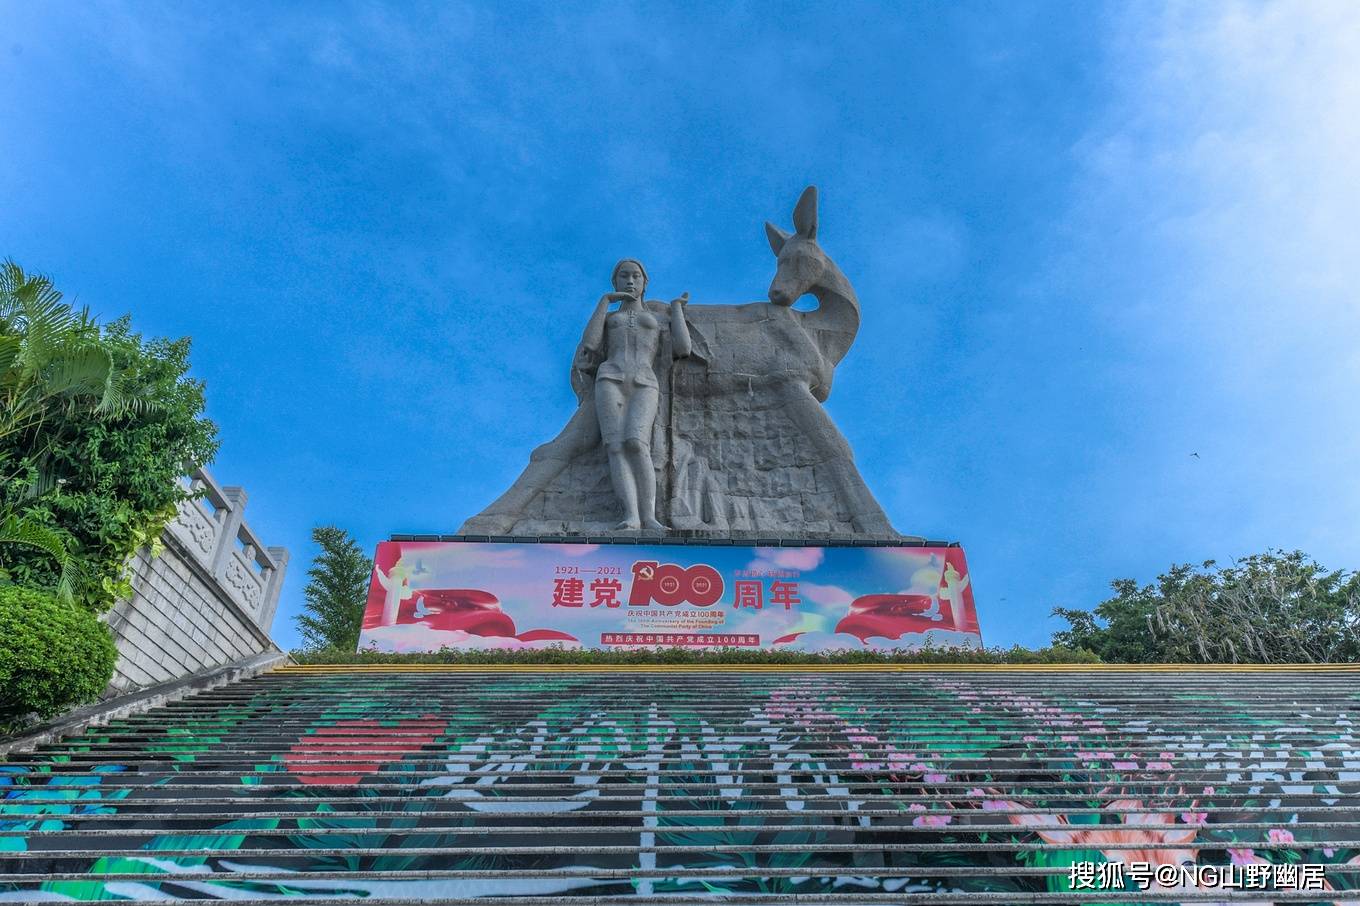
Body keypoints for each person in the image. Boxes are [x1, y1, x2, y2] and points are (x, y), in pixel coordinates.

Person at [576, 259, 692, 531]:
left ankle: (649, 516)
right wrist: (605, 301)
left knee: (637, 444)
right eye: (624, 277)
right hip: (610, 377)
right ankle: (631, 516)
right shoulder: (609, 318)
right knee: (615, 446)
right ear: (615, 282)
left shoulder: (657, 318)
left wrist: (676, 309)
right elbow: (591, 344)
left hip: (644, 380)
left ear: (644, 282)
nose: (630, 281)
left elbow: (683, 347)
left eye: (636, 276)